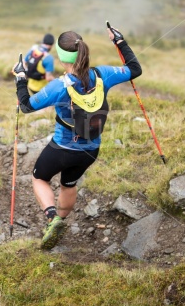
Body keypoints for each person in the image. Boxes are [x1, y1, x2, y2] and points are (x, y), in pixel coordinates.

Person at [12, 23, 142, 250]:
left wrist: (21, 79)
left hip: (61, 149)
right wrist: (119, 41)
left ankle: (52, 219)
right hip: (90, 151)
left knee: (39, 178)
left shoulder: (58, 86)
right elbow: (134, 68)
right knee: (68, 184)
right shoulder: (104, 74)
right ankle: (60, 222)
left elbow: (26, 106)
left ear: (62, 57)